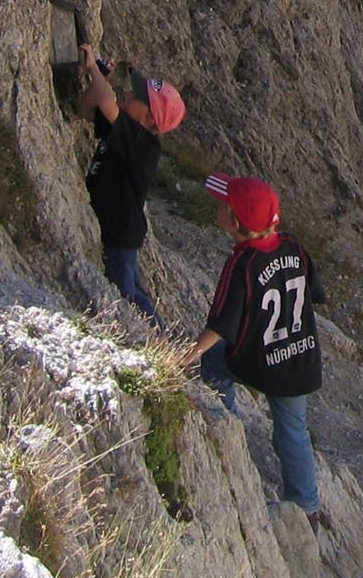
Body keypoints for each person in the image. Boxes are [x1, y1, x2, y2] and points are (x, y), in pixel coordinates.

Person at [182, 174, 329, 530]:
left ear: (235, 223)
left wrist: (185, 355)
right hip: (300, 358)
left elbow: (221, 326)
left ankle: (228, 429)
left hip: (263, 361)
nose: (218, 210)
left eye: (223, 207)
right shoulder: (294, 246)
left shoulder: (243, 263)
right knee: (293, 429)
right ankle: (307, 505)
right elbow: (316, 293)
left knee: (215, 361)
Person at [79, 46, 185, 327]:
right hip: (120, 229)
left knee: (125, 294)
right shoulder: (124, 130)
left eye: (137, 97)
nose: (127, 93)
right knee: (133, 288)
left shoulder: (142, 144)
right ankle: (162, 336)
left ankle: (159, 337)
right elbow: (88, 108)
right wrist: (100, 77)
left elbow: (105, 99)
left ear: (150, 119)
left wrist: (92, 70)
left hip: (120, 231)